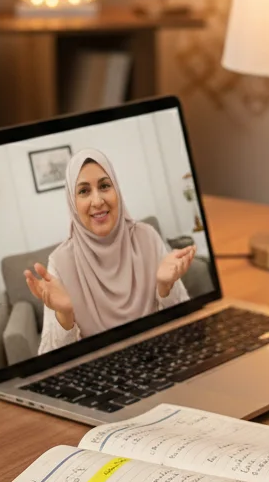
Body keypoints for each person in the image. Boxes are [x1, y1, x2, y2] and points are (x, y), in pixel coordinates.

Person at [25, 148, 196, 354]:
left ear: (117, 191)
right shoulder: (60, 263)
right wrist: (65, 315)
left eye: (105, 186)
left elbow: (187, 325)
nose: (97, 201)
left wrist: (165, 288)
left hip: (160, 355)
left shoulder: (147, 237)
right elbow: (48, 359)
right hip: (101, 376)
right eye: (84, 191)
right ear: (72, 202)